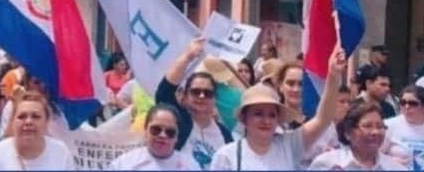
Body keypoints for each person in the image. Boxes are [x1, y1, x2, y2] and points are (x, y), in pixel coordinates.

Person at [209, 47, 346, 170]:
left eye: (272, 115)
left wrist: (333, 76)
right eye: (258, 114)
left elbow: (323, 119)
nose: (266, 120)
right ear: (245, 118)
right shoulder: (227, 156)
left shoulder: (289, 145)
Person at [153, 39, 234, 170]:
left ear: (215, 99)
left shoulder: (225, 134)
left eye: (207, 93)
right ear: (185, 96)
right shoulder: (177, 122)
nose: (201, 96)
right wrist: (187, 56)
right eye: (196, 92)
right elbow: (164, 93)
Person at [0, 91, 74, 170]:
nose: (28, 121)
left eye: (36, 116)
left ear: (46, 121)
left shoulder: (61, 152)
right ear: (12, 121)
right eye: (22, 116)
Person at [309, 101, 406, 170]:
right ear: (348, 132)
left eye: (380, 126)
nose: (375, 132)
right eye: (367, 126)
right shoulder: (327, 163)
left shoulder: (395, 168)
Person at [108, 104, 201, 170]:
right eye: (156, 129)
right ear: (145, 130)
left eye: (170, 132)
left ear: (177, 137)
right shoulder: (124, 164)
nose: (162, 135)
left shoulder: (190, 165)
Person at [275, 62, 306, 128]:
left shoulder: (316, 118)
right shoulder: (272, 120)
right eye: (290, 83)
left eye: (301, 84)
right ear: (281, 86)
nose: (296, 89)